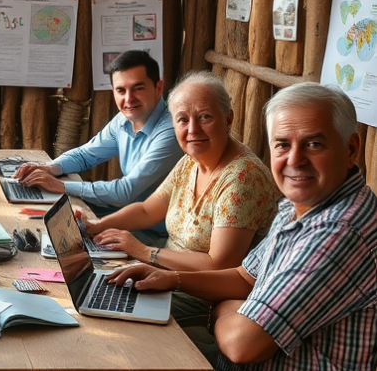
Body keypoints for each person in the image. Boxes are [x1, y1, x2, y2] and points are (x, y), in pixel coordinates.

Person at [87, 82, 377, 371]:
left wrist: (219, 309)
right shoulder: (302, 206)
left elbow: (244, 343)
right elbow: (244, 276)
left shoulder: (338, 231)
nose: (295, 160)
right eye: (283, 145)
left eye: (314, 144)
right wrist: (171, 278)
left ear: (351, 149)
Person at [87, 71, 278, 275]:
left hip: (200, 292)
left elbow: (220, 265)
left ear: (228, 119)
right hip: (166, 273)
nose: (193, 129)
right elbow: (147, 211)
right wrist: (97, 226)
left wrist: (142, 251)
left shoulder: (243, 178)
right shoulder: (190, 162)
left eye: (205, 117)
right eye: (182, 120)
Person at [15, 50, 182, 240]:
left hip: (157, 236)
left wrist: (61, 186)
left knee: (55, 236)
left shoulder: (171, 131)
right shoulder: (124, 120)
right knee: (35, 224)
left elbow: (125, 192)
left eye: (138, 88)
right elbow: (85, 155)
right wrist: (50, 167)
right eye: (121, 90)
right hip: (122, 219)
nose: (129, 99)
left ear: (158, 88)